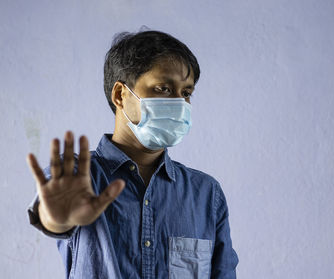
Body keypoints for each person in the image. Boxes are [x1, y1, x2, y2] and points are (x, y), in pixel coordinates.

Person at [26, 29, 239, 279]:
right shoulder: (77, 177)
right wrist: (55, 219)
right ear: (120, 95)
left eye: (186, 93)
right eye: (163, 89)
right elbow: (55, 216)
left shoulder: (206, 193)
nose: (180, 104)